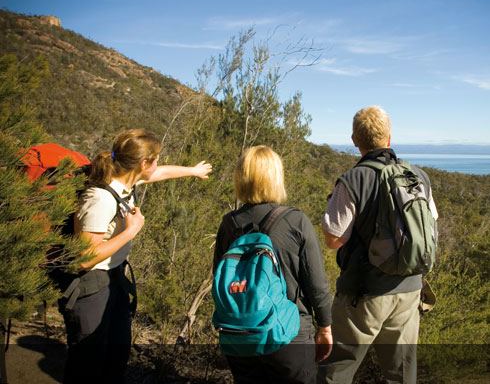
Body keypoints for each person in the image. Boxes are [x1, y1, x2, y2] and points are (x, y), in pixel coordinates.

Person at [60, 129, 212, 384]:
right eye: (156, 159)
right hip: (90, 286)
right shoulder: (100, 198)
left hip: (113, 279)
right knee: (87, 366)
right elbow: (83, 258)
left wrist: (193, 171)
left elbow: (161, 173)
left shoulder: (125, 183)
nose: (158, 164)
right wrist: (131, 230)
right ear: (144, 164)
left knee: (115, 358)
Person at [317, 106, 438, 384]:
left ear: (354, 140)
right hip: (409, 290)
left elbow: (334, 240)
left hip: (364, 293)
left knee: (337, 370)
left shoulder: (352, 180)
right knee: (402, 373)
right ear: (389, 137)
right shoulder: (417, 176)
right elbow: (431, 222)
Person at [213, 145, 333, 384]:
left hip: (241, 336)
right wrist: (325, 327)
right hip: (289, 336)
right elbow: (317, 284)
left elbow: (219, 278)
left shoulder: (229, 224)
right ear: (276, 178)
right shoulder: (295, 221)